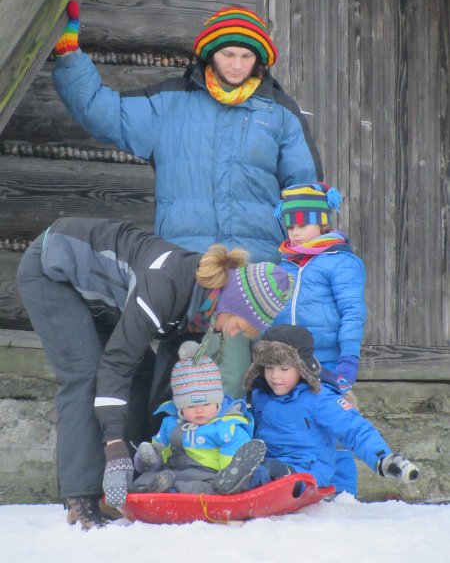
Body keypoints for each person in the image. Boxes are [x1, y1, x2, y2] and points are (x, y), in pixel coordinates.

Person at [52, 1, 323, 399]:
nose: (237, 65)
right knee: (180, 380)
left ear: (259, 60)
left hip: (254, 275)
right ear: (210, 54)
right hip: (187, 270)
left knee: (254, 383)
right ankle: (168, 440)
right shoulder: (170, 103)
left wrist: (304, 262)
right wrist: (69, 56)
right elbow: (103, 112)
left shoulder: (279, 113)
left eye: (246, 56)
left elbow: (304, 191)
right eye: (228, 54)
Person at [16, 217, 293, 530]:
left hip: (100, 293)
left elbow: (169, 383)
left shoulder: (202, 305)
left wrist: (163, 455)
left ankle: (130, 485)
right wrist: (115, 447)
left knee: (144, 377)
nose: (232, 334)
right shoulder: (166, 287)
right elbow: (117, 364)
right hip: (53, 268)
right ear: (231, 303)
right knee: (88, 375)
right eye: (238, 326)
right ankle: (81, 497)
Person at [244, 325, 420, 493]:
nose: (275, 376)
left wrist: (383, 458)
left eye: (284, 369)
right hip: (267, 464)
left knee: (270, 473)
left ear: (302, 368)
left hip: (307, 470)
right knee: (252, 470)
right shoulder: (260, 395)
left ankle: (260, 480)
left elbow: (354, 428)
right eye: (268, 368)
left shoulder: (319, 397)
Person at [273, 182, 367, 494]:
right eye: (291, 226)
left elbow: (352, 312)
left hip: (326, 360)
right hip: (288, 363)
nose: (295, 233)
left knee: (334, 426)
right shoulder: (285, 264)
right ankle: (304, 493)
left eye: (303, 225)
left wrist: (349, 358)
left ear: (323, 223)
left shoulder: (341, 262)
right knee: (298, 428)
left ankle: (343, 496)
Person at [131, 341, 266, 495]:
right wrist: (150, 458)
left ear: (218, 401)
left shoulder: (227, 427)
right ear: (180, 407)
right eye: (191, 406)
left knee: (201, 488)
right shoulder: (171, 424)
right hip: (174, 473)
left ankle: (171, 492)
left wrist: (229, 475)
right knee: (144, 479)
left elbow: (232, 461)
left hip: (211, 476)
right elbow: (162, 454)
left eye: (206, 404)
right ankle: (149, 489)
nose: (199, 410)